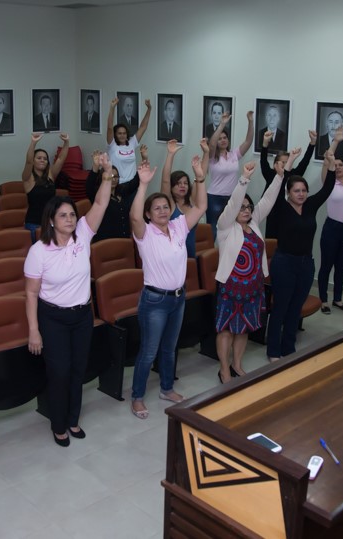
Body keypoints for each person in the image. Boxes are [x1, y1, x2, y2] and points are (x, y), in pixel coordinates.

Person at [24, 154, 115, 446]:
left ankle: (73, 419)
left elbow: (100, 203)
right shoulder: (39, 250)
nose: (70, 219)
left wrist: (107, 174)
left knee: (78, 370)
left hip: (81, 316)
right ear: (51, 219)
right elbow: (30, 293)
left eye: (73, 214)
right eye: (63, 215)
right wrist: (34, 330)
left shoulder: (83, 236)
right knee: (59, 372)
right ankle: (59, 423)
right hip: (53, 318)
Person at [128, 158, 207, 419]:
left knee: (169, 348)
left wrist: (200, 178)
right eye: (157, 208)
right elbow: (134, 215)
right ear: (149, 214)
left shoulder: (178, 225)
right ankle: (137, 397)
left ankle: (166, 388)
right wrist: (143, 185)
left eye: (165, 207)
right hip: (154, 301)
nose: (162, 211)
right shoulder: (145, 233)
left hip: (178, 298)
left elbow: (202, 205)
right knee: (149, 351)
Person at [265, 135, 338, 362]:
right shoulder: (281, 206)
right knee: (281, 308)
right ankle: (273, 351)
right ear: (289, 192)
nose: (301, 194)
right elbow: (279, 183)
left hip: (306, 264)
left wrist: (332, 165)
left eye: (304, 190)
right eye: (296, 190)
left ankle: (288, 348)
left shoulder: (310, 206)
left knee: (295, 308)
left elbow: (327, 188)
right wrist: (290, 163)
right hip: (284, 263)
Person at [214, 161, 280, 383]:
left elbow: (269, 200)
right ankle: (224, 368)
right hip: (230, 287)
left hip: (253, 286)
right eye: (241, 207)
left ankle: (237, 365)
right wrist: (244, 179)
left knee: (243, 329)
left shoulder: (255, 224)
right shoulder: (225, 226)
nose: (245, 210)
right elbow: (233, 203)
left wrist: (280, 176)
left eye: (248, 207)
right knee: (226, 329)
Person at [316, 127, 343, 314]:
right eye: (336, 165)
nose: (338, 167)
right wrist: (336, 141)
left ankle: (338, 298)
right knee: (327, 265)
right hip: (332, 228)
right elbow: (327, 160)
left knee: (342, 265)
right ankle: (323, 299)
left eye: (341, 165)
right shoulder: (329, 183)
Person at [259, 128, 318, 239]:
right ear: (275, 164)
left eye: (288, 161)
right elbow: (263, 161)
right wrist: (265, 143)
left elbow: (304, 162)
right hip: (273, 215)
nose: (286, 164)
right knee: (271, 244)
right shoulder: (270, 174)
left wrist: (312, 143)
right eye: (283, 162)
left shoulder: (294, 175)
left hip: (289, 215)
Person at [206, 110, 254, 239]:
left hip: (232, 198)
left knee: (232, 230)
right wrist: (222, 124)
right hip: (214, 198)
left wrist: (250, 121)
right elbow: (211, 144)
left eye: (225, 138)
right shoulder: (211, 156)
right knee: (213, 231)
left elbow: (248, 141)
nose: (222, 140)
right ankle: (211, 257)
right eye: (219, 138)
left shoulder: (234, 155)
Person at [160, 138, 210, 257]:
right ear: (172, 187)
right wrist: (170, 154)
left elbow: (201, 176)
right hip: (172, 255)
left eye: (185, 183)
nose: (182, 186)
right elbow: (165, 181)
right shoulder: (169, 204)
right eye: (178, 183)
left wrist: (206, 153)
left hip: (190, 255)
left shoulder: (193, 202)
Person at [21, 132, 70, 241]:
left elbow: (61, 159)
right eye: (39, 158)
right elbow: (28, 162)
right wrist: (33, 143)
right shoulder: (28, 177)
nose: (42, 160)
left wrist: (66, 142)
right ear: (34, 160)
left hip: (51, 222)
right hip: (34, 224)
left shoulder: (50, 175)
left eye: (45, 158)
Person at [86, 150, 138, 243]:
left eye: (116, 177)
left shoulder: (121, 191)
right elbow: (89, 186)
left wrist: (144, 160)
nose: (113, 179)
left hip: (124, 240)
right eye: (110, 176)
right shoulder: (98, 195)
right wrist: (95, 166)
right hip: (106, 241)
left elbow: (134, 183)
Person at [105, 97, 151, 183]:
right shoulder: (112, 145)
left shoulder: (132, 143)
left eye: (124, 133)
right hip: (118, 183)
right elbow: (109, 128)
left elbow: (143, 127)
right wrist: (112, 108)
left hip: (132, 183)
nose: (122, 135)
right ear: (115, 135)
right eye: (119, 133)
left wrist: (149, 109)